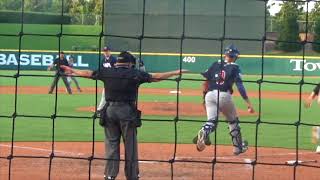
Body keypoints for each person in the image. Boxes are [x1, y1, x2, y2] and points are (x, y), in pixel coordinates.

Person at [61, 51, 187, 180]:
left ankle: (110, 175)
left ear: (117, 62)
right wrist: (174, 72)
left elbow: (88, 73)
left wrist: (72, 70)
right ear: (130, 63)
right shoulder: (135, 73)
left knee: (111, 145)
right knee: (130, 146)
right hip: (127, 112)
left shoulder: (107, 71)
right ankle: (132, 176)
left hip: (109, 111)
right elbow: (156, 77)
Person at [193, 44, 255, 155]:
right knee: (233, 122)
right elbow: (240, 86)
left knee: (211, 121)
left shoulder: (215, 64)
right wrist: (248, 103)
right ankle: (237, 148)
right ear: (235, 56)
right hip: (224, 96)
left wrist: (204, 98)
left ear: (225, 55)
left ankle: (204, 131)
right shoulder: (235, 67)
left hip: (210, 95)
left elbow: (205, 82)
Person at [97, 46, 118, 113]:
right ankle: (100, 109)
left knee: (111, 96)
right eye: (104, 51)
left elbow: (117, 69)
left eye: (107, 51)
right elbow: (101, 70)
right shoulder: (103, 60)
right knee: (105, 95)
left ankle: (101, 109)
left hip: (114, 80)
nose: (106, 52)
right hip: (107, 81)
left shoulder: (114, 59)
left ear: (110, 51)